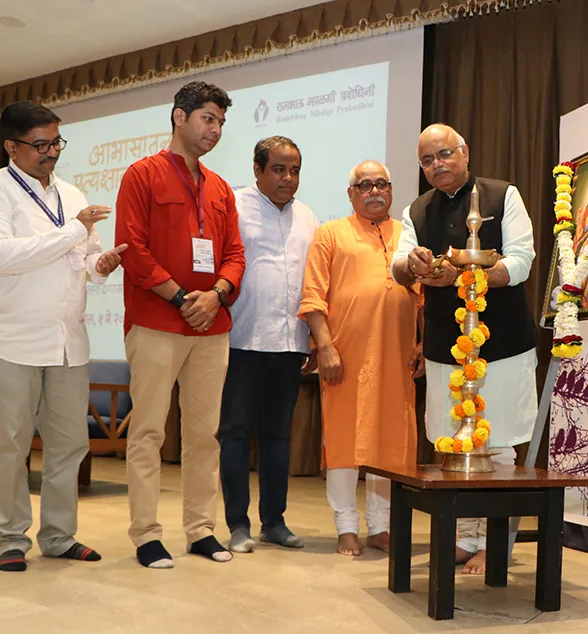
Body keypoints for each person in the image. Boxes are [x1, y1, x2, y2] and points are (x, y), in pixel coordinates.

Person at [0, 100, 126, 571]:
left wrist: (101, 264)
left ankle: (58, 536)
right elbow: (1, 256)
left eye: (56, 142)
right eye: (40, 144)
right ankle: (11, 538)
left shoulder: (72, 194)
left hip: (67, 341)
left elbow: (85, 258)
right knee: (11, 445)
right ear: (11, 146)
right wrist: (73, 231)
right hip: (8, 340)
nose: (51, 152)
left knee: (69, 444)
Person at [391, 124, 539, 574]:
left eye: (444, 154)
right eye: (427, 160)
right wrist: (412, 264)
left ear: (465, 152)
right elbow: (398, 266)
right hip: (445, 345)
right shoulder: (416, 209)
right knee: (454, 444)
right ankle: (464, 537)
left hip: (502, 341)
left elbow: (521, 261)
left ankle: (495, 542)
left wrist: (463, 277)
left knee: (498, 443)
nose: (436, 165)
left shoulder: (502, 195)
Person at [115, 81, 246, 569]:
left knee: (204, 434)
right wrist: (180, 297)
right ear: (179, 117)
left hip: (212, 325)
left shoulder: (221, 188)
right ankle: (147, 535)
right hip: (156, 321)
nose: (215, 130)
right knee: (148, 431)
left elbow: (235, 254)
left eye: (220, 123)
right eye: (208, 119)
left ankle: (201, 529)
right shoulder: (142, 174)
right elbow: (133, 248)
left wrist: (216, 295)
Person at [300, 160, 420, 556]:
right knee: (344, 440)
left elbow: (424, 297)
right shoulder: (330, 233)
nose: (374, 191)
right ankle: (346, 526)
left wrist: (424, 344)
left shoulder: (407, 235)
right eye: (365, 185)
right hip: (345, 356)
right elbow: (313, 297)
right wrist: (325, 347)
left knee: (391, 442)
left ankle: (381, 527)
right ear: (350, 194)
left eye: (381, 183)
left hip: (398, 357)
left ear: (392, 189)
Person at [219, 136, 320, 552]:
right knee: (235, 433)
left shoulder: (308, 217)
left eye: (294, 170)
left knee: (279, 436)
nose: (288, 178)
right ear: (258, 170)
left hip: (290, 342)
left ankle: (274, 522)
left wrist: (315, 336)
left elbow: (315, 281)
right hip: (242, 339)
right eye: (278, 169)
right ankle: (237, 525)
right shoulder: (233, 206)